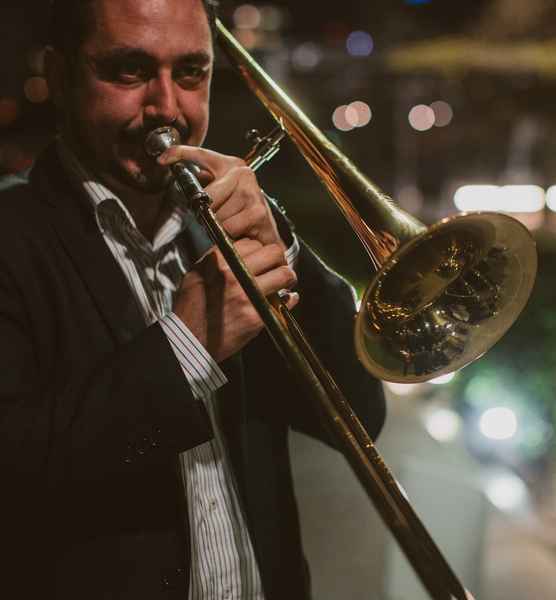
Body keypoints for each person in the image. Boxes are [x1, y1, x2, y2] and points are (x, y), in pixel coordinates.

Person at [0, 0, 385, 598]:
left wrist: (280, 244)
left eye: (191, 73)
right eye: (128, 71)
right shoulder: (13, 235)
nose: (168, 108)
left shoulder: (222, 231)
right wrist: (186, 347)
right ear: (59, 75)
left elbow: (361, 414)